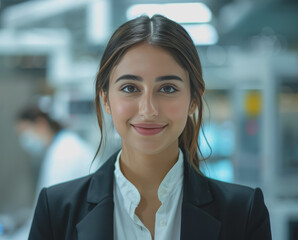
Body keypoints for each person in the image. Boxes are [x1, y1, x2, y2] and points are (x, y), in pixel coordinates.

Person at [28, 15, 272, 240]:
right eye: (130, 88)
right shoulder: (57, 210)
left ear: (194, 100)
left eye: (167, 88)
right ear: (105, 100)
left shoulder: (243, 213)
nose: (148, 109)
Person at [12, 105, 96, 239]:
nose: (24, 140)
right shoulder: (61, 148)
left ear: (41, 124)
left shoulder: (65, 153)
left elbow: (53, 212)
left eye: (24, 132)